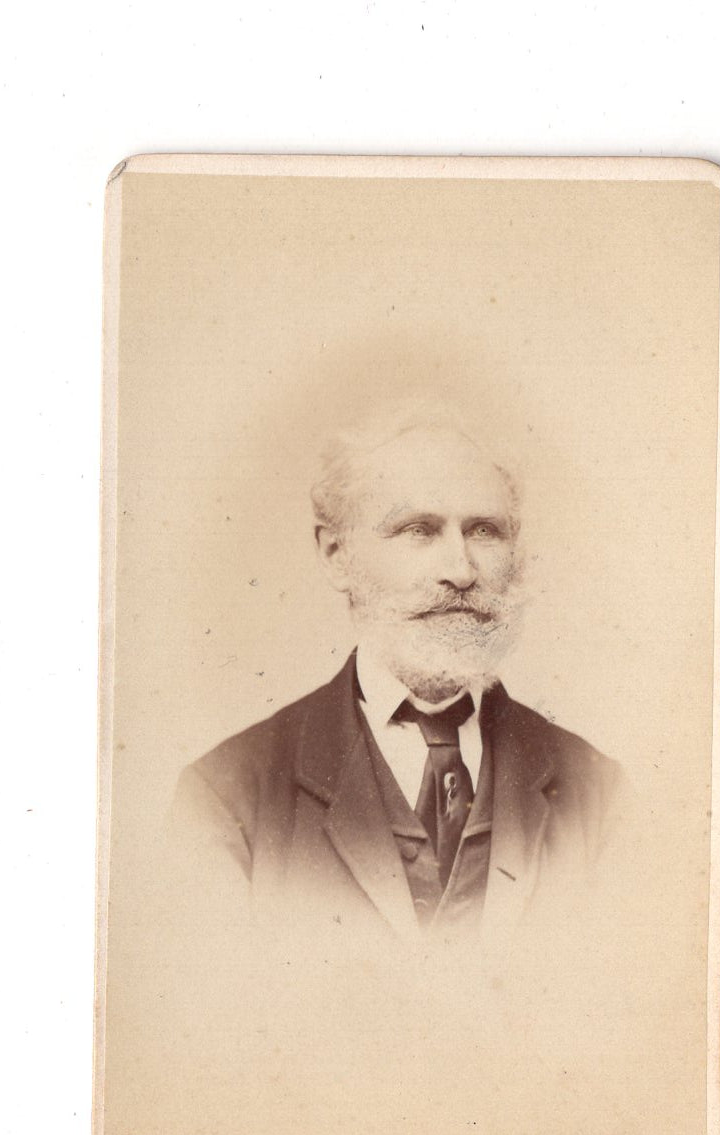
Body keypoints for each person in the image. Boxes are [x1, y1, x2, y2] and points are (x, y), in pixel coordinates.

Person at [174, 400, 622, 946]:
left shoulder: (602, 797)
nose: (460, 571)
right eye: (419, 530)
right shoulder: (227, 798)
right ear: (336, 555)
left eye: (484, 531)